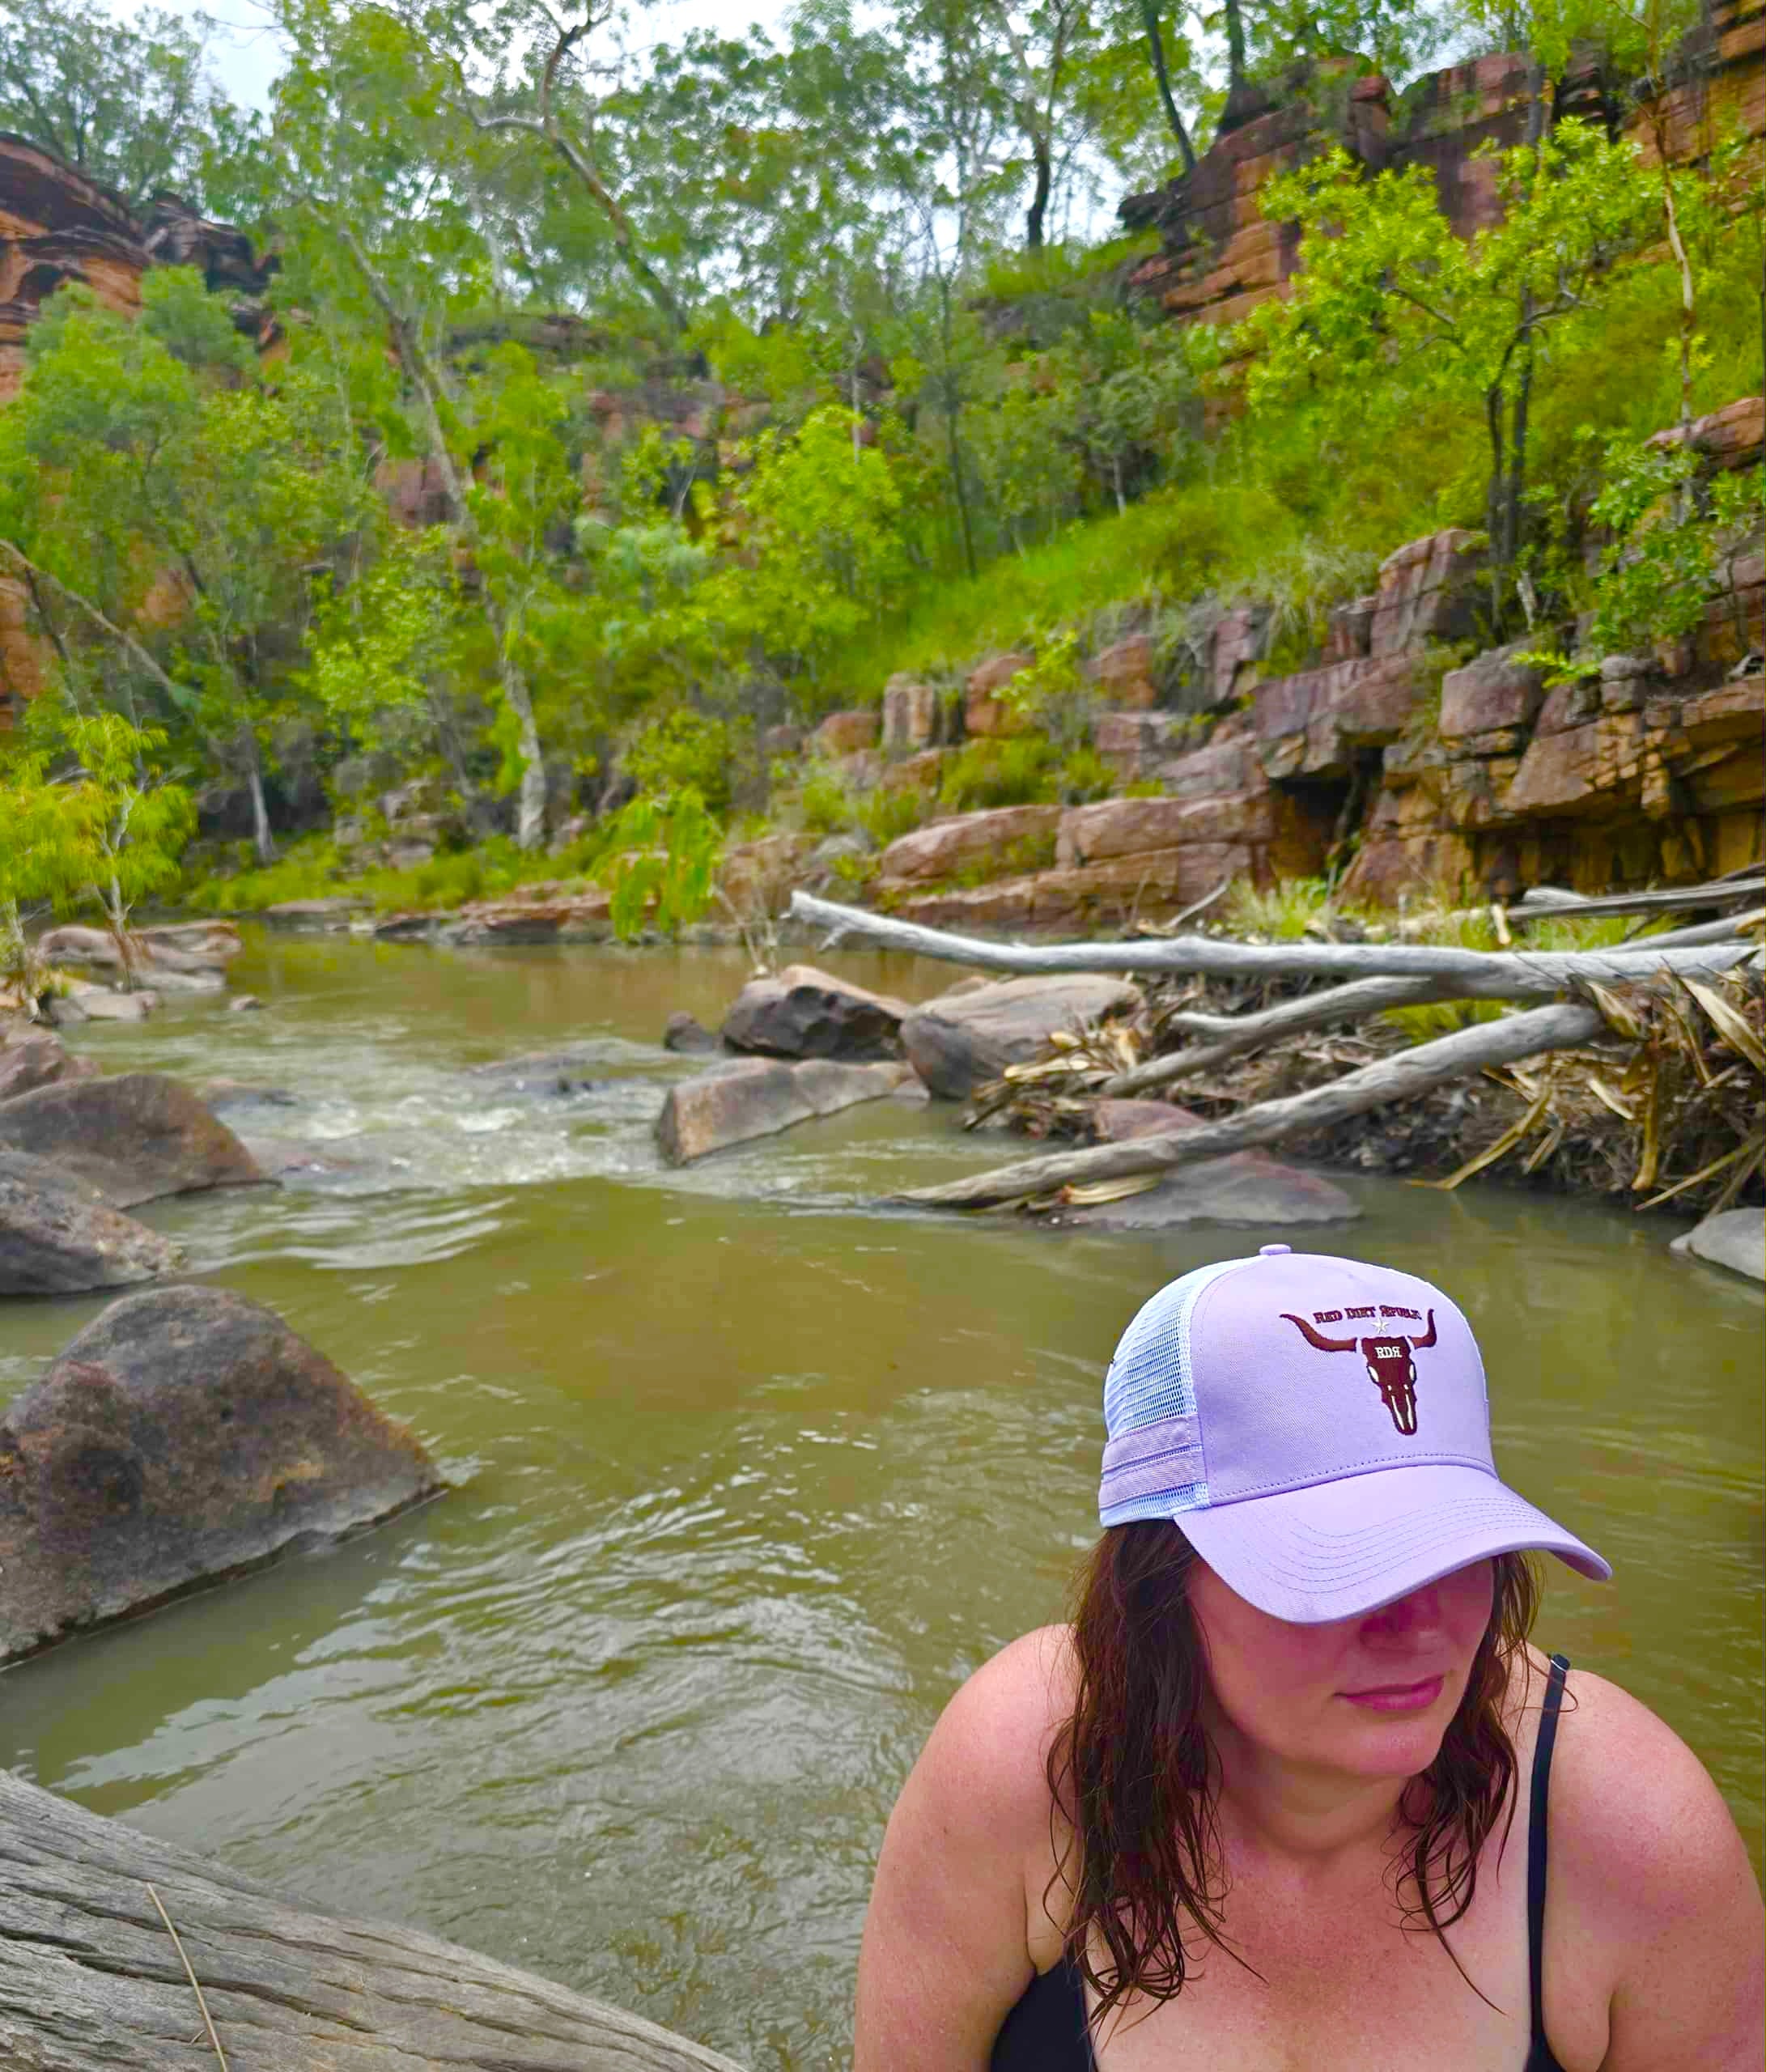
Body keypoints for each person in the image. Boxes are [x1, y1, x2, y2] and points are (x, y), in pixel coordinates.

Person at [853, 1245, 1764, 2071]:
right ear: (1158, 1583)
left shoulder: (1627, 1829)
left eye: (1450, 1547)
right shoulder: (1024, 1764)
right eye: (1336, 1562)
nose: (1415, 1623)